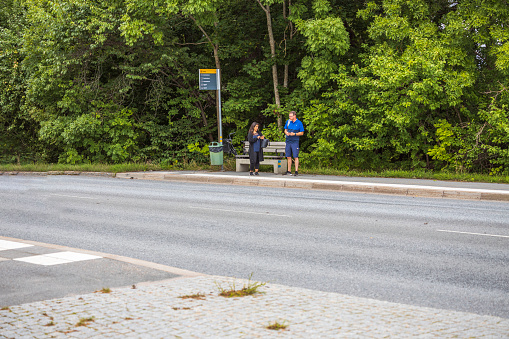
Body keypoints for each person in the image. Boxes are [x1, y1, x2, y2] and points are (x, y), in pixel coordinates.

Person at [284, 111, 304, 176]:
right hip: (288, 141)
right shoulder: (288, 121)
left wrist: (294, 134)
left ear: (294, 116)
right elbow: (285, 129)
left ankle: (296, 171)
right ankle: (289, 171)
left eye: (291, 116)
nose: (290, 117)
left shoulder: (299, 123)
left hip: (295, 141)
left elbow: (302, 133)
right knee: (288, 156)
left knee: (295, 156)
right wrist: (286, 133)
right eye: (289, 116)